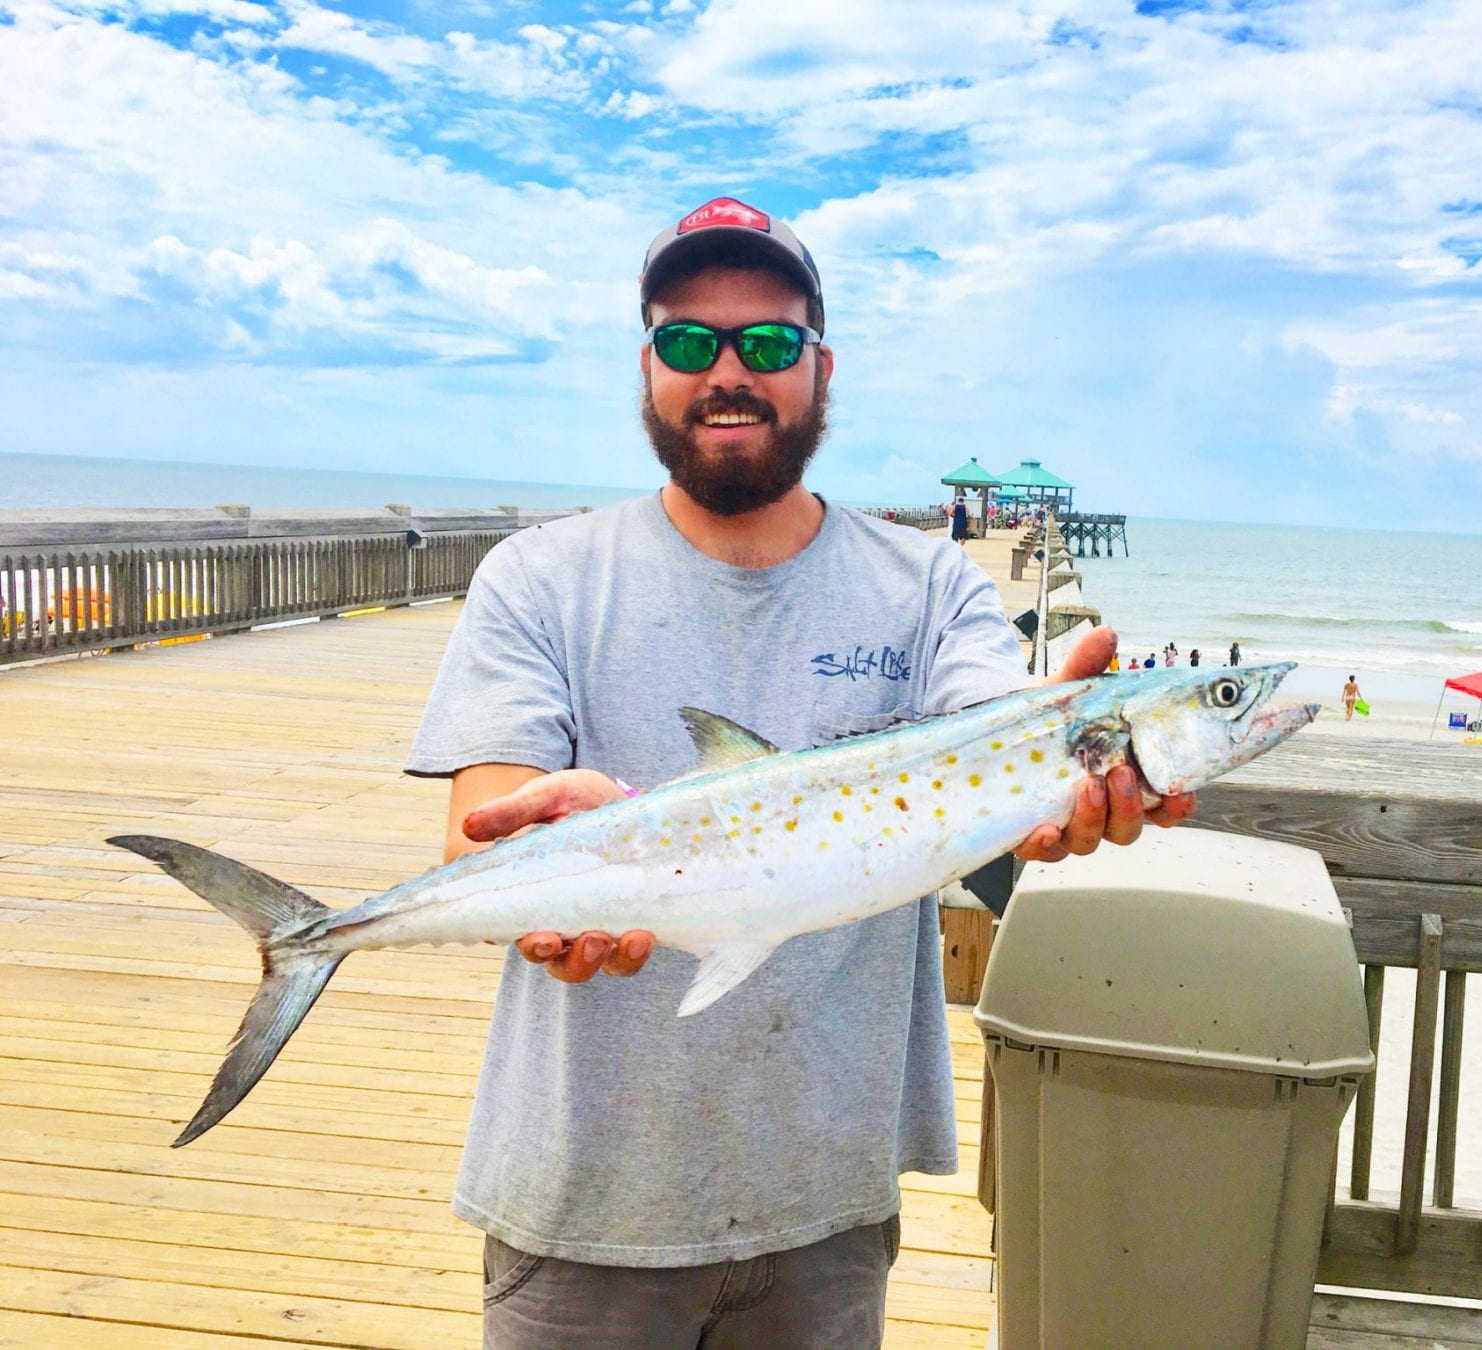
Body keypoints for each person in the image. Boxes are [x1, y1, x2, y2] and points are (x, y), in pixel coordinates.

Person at [406, 196, 1196, 1348]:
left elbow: (987, 728)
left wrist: (1055, 764)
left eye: (767, 343)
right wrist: (570, 850)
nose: (729, 371)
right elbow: (479, 822)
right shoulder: (538, 577)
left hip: (822, 1199)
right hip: (580, 1198)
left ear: (821, 368)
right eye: (690, 341)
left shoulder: (931, 586)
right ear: (648, 365)